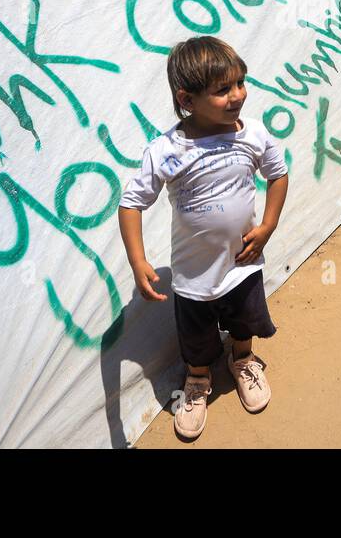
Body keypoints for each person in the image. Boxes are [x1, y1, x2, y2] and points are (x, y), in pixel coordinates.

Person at [118, 36, 289, 442]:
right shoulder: (165, 151)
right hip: (194, 276)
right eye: (223, 90)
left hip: (244, 263)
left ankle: (243, 360)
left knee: (244, 320)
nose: (237, 96)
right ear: (187, 99)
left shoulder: (254, 134)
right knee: (196, 335)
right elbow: (131, 203)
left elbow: (278, 174)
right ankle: (197, 381)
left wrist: (267, 227)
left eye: (240, 83)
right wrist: (138, 261)